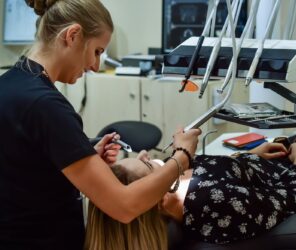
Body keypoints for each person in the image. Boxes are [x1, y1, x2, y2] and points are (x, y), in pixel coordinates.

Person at [0, 1, 200, 249]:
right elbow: (125, 207)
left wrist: (81, 158)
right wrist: (181, 158)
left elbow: (24, 173)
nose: (95, 66)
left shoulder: (9, 84)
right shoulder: (47, 106)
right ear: (72, 36)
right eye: (96, 51)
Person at [84, 136, 296, 249]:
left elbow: (222, 174)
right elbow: (294, 198)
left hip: (268, 161)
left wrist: (251, 156)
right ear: (154, 200)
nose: (144, 152)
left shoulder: (172, 179)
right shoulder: (215, 203)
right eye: (146, 165)